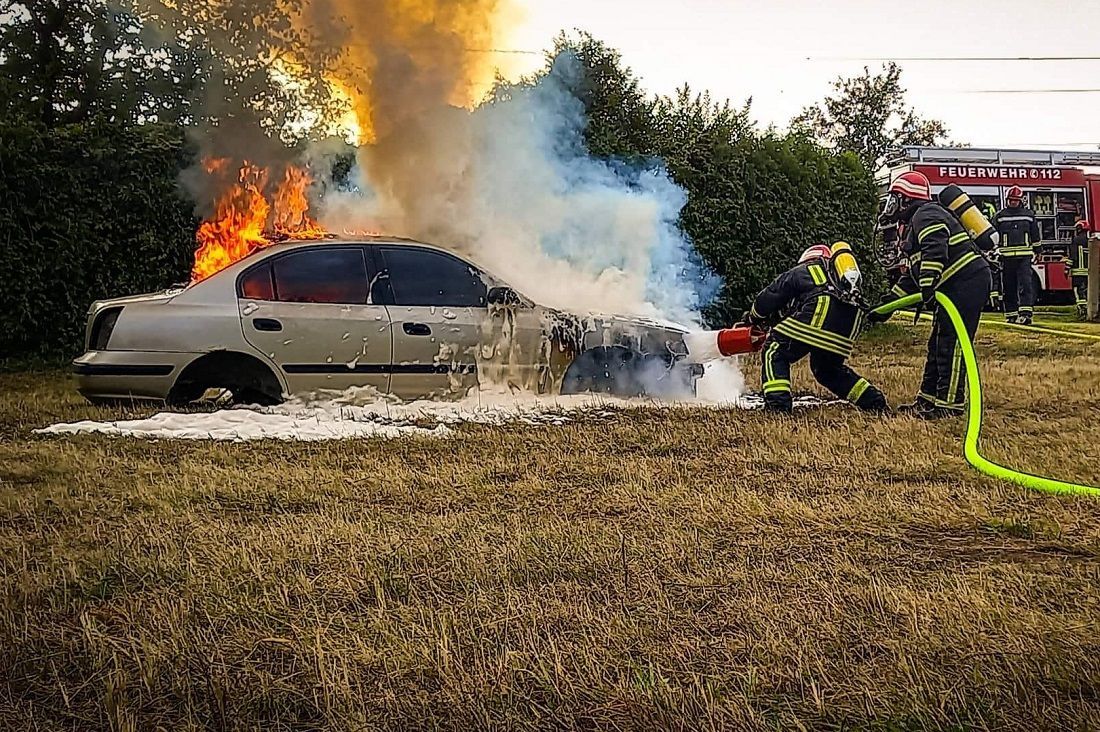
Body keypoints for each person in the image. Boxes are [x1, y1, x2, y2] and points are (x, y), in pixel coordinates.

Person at [873, 171, 991, 419]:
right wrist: (888, 304)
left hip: (967, 282)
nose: (890, 206)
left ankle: (948, 406)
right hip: (953, 286)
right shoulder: (915, 222)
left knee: (953, 343)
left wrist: (928, 283)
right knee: (937, 343)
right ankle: (928, 401)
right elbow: (912, 277)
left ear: (906, 199)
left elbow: (935, 247)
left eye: (894, 199)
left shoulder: (927, 213)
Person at [745, 242, 888, 414]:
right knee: (827, 370)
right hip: (847, 330)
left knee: (775, 350)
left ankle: (778, 406)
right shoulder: (841, 280)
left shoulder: (804, 270)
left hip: (819, 315)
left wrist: (753, 316)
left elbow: (772, 295)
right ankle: (873, 401)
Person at [992, 186, 1042, 325]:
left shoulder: (1028, 215)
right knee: (1008, 287)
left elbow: (1035, 235)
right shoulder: (1000, 216)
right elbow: (993, 235)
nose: (1013, 202)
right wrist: (993, 250)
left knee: (1025, 285)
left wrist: (1038, 252)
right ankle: (1011, 314)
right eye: (1011, 200)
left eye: (1015, 200)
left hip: (1024, 257)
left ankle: (1026, 314)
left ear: (1020, 200)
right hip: (1006, 257)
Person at [1070, 219, 1090, 320]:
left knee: (1078, 290)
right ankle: (1088, 310)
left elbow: (1072, 256)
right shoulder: (1090, 241)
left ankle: (1081, 310)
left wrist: (1067, 268)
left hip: (1077, 271)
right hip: (1089, 272)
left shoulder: (1076, 240)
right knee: (1087, 290)